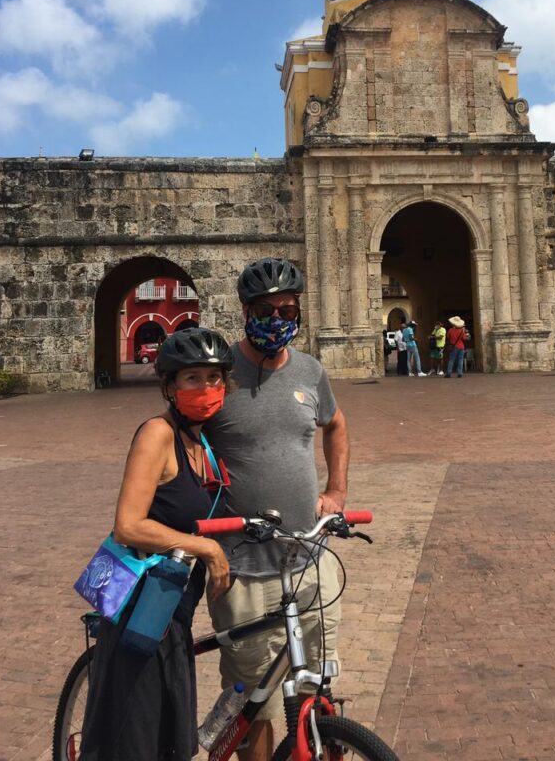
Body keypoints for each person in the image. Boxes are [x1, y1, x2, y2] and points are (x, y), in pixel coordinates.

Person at [204, 258, 350, 761]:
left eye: (287, 308)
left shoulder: (310, 369)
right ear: (245, 311)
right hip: (242, 566)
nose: (277, 317)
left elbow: (335, 424)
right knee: (254, 703)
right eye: (265, 309)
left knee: (314, 684)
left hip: (309, 557)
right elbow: (178, 440)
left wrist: (338, 492)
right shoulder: (218, 372)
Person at [79, 328, 233, 761]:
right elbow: (128, 525)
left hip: (174, 613)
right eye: (192, 378)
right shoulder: (157, 434)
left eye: (214, 377)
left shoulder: (200, 442)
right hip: (141, 615)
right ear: (169, 386)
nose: (207, 388)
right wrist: (208, 549)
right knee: (134, 741)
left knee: (168, 740)